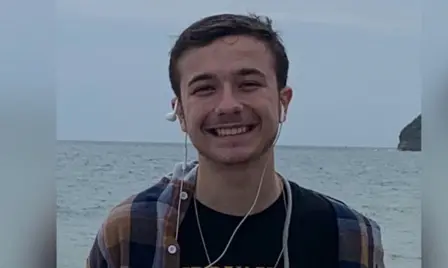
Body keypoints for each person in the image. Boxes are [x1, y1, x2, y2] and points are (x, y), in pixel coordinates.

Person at [86, 13, 385, 268]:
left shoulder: (349, 235)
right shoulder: (130, 232)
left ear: (284, 102)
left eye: (249, 84)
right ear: (180, 113)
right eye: (205, 88)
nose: (228, 105)